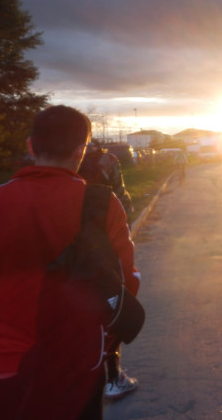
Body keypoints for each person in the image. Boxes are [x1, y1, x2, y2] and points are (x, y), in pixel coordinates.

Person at [0, 105, 140, 419]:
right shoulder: (102, 205)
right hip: (79, 370)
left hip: (7, 372)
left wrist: (3, 302)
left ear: (31, 145)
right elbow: (126, 285)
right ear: (80, 151)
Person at [77, 141, 139, 400]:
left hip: (65, 242)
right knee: (111, 305)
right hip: (103, 238)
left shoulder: (64, 159)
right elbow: (120, 192)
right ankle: (113, 378)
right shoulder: (108, 160)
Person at [79, 142, 134, 220]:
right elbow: (118, 187)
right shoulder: (108, 159)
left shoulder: (74, 161)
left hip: (82, 211)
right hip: (108, 207)